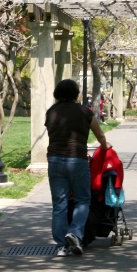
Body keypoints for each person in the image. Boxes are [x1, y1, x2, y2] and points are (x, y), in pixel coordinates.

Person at [45, 79, 110, 257]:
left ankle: (61, 245)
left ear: (57, 93)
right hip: (77, 160)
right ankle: (74, 233)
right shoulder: (84, 112)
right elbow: (99, 134)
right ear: (76, 94)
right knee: (82, 199)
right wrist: (104, 145)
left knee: (60, 203)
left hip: (55, 160)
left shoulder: (51, 112)